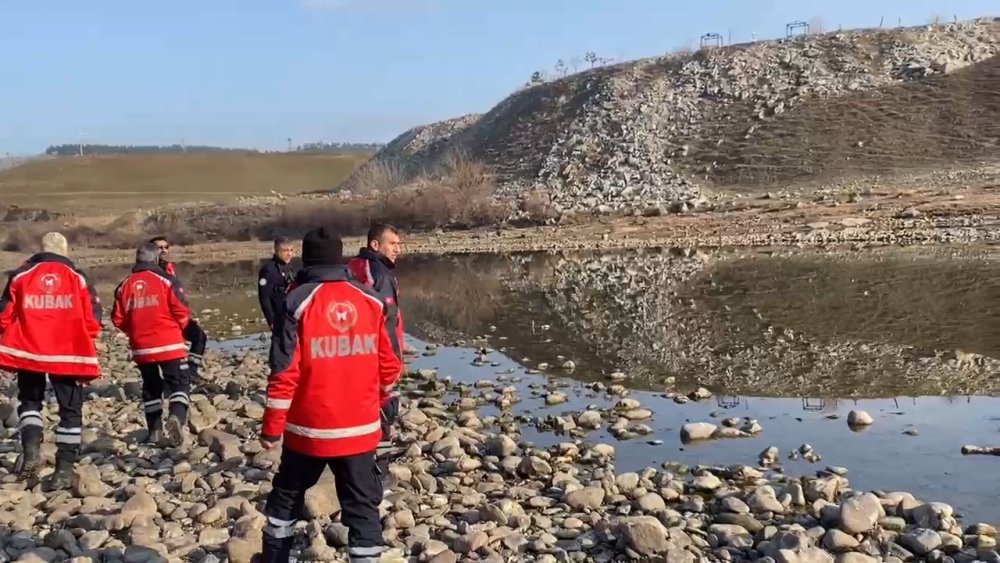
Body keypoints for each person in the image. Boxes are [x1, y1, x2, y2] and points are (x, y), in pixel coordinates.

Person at [260, 226, 402, 563]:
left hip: (308, 432)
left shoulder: (295, 302)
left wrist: (271, 428)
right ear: (340, 259)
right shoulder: (370, 300)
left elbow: (283, 374)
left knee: (285, 502)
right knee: (363, 508)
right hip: (359, 431)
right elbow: (391, 365)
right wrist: (381, 401)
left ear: (307, 260)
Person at [0, 232, 102, 489]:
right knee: (70, 410)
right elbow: (93, 319)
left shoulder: (21, 276)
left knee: (30, 402)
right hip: (68, 353)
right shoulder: (78, 277)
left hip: (29, 351)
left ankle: (32, 450)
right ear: (65, 251)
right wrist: (85, 337)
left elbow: (3, 315)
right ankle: (64, 470)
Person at [111, 242, 195, 447]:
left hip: (141, 347)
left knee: (151, 387)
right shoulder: (166, 280)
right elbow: (182, 309)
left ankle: (154, 431)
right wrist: (181, 329)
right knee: (180, 383)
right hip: (169, 343)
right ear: (156, 259)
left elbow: (117, 318)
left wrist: (134, 333)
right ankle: (176, 417)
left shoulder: (125, 284)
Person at [347, 223, 404, 482]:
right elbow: (386, 323)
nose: (397, 250)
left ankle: (355, 468)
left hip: (353, 356)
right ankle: (379, 475)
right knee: (383, 410)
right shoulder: (379, 273)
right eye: (393, 244)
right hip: (376, 359)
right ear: (375, 245)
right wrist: (394, 364)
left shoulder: (353, 267)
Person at [149, 236, 207, 379]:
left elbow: (176, 295)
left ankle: (191, 372)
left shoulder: (169, 268)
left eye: (166, 247)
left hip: (176, 316)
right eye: (159, 248)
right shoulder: (149, 271)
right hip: (161, 319)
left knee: (199, 337)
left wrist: (185, 310)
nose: (163, 250)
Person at [257, 237, 296, 332]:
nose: (290, 254)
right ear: (277, 251)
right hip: (278, 316)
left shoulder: (288, 267)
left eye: (291, 250)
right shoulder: (268, 270)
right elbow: (264, 297)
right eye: (285, 250)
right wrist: (271, 321)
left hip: (290, 314)